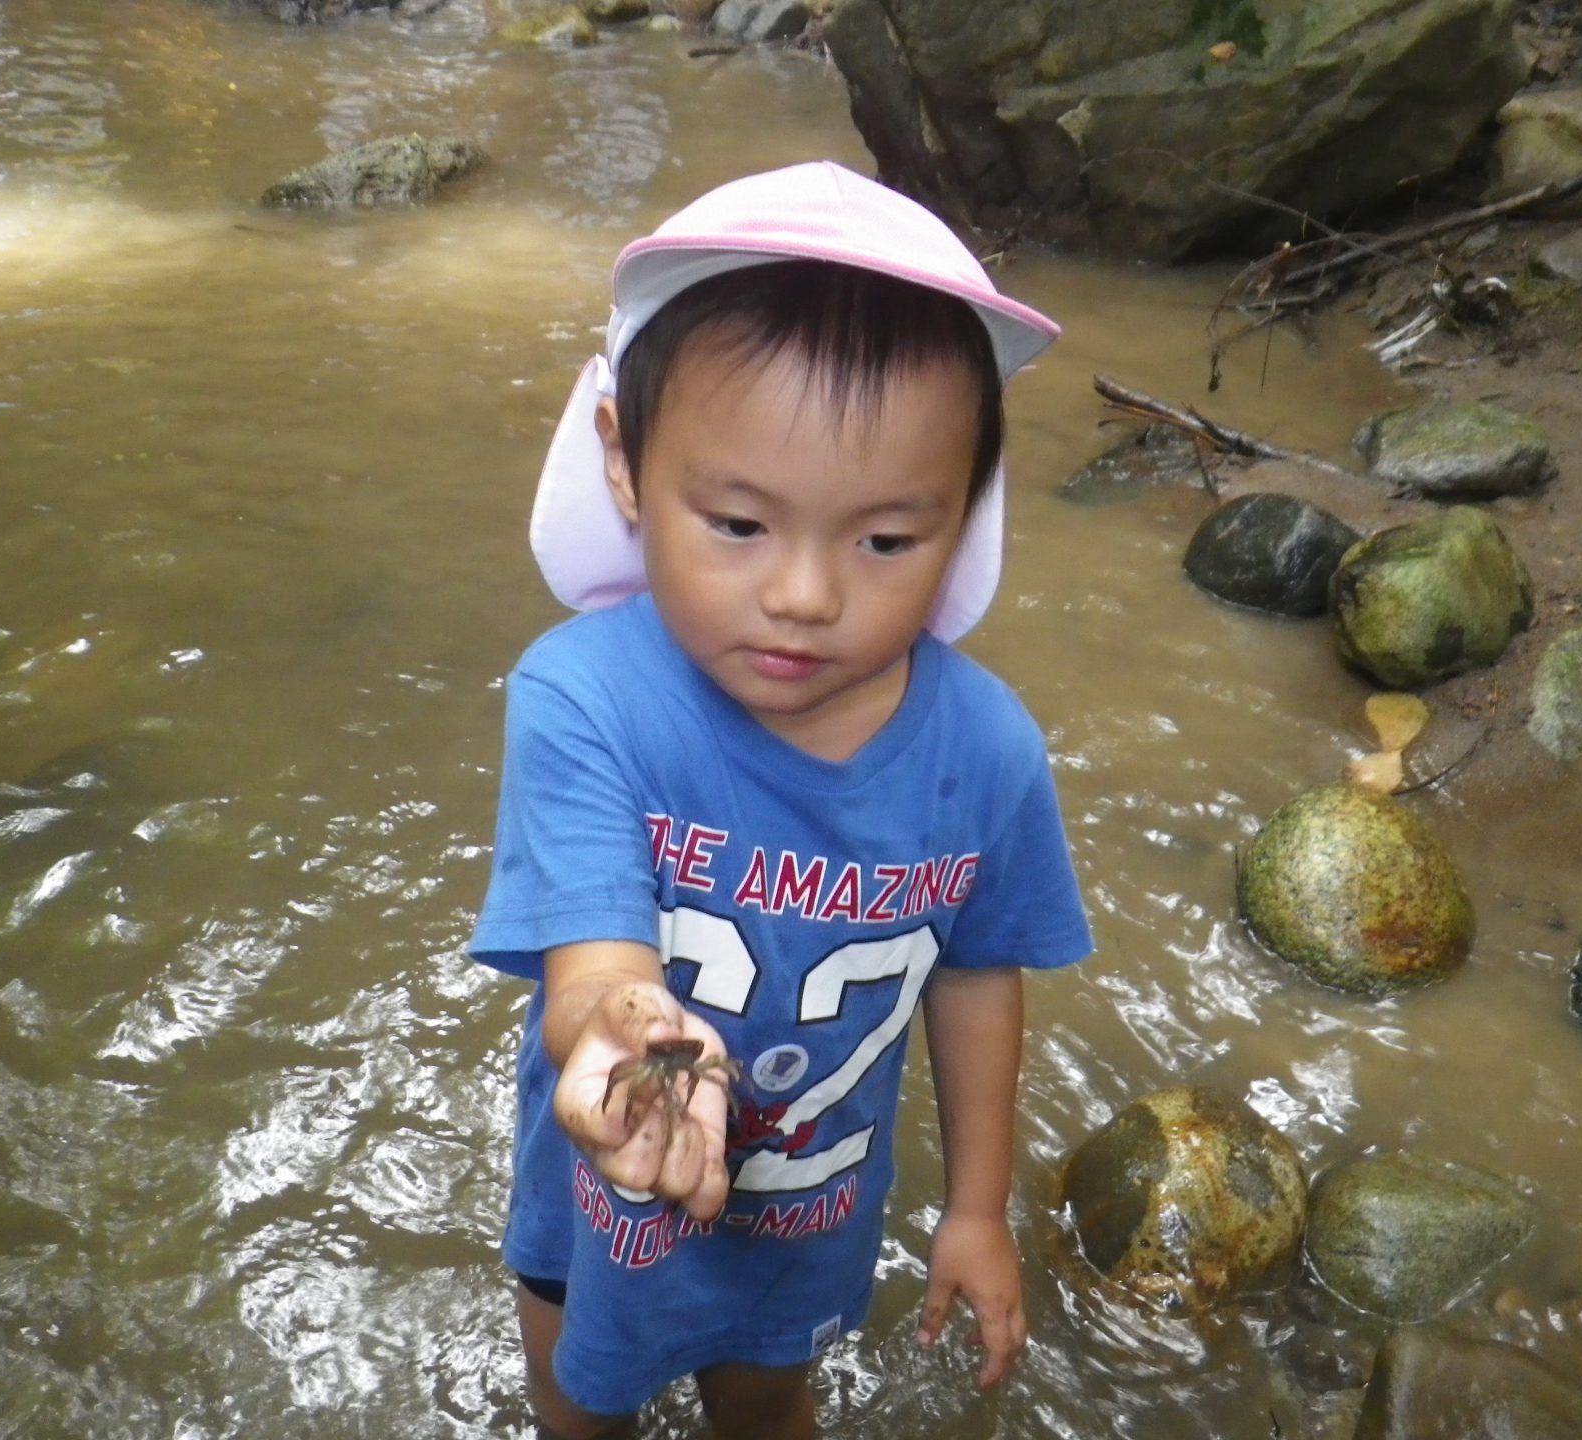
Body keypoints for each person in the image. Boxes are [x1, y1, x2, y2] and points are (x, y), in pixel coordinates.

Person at [469, 161, 1093, 1440]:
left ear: (965, 509)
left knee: (769, 1412)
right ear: (625, 464)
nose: (805, 596)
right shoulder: (584, 701)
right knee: (579, 1414)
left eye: (885, 541)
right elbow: (591, 965)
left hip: (808, 1220)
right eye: (740, 525)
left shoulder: (987, 753)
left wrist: (978, 1210)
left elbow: (978, 974)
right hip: (598, 1192)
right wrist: (624, 1027)